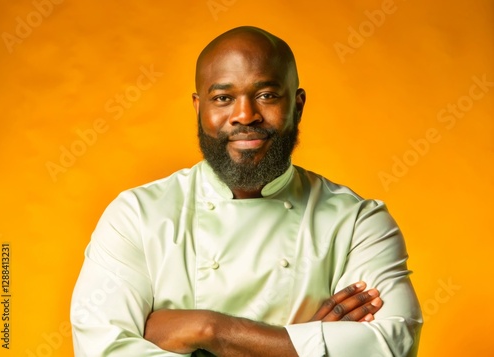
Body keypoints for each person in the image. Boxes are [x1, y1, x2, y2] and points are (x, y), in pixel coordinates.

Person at [71, 26, 422, 356]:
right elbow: (102, 349)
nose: (245, 115)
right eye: (223, 98)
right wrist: (303, 344)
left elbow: (392, 343)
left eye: (266, 95)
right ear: (199, 108)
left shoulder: (358, 222)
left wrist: (211, 331)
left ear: (297, 106)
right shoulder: (136, 215)